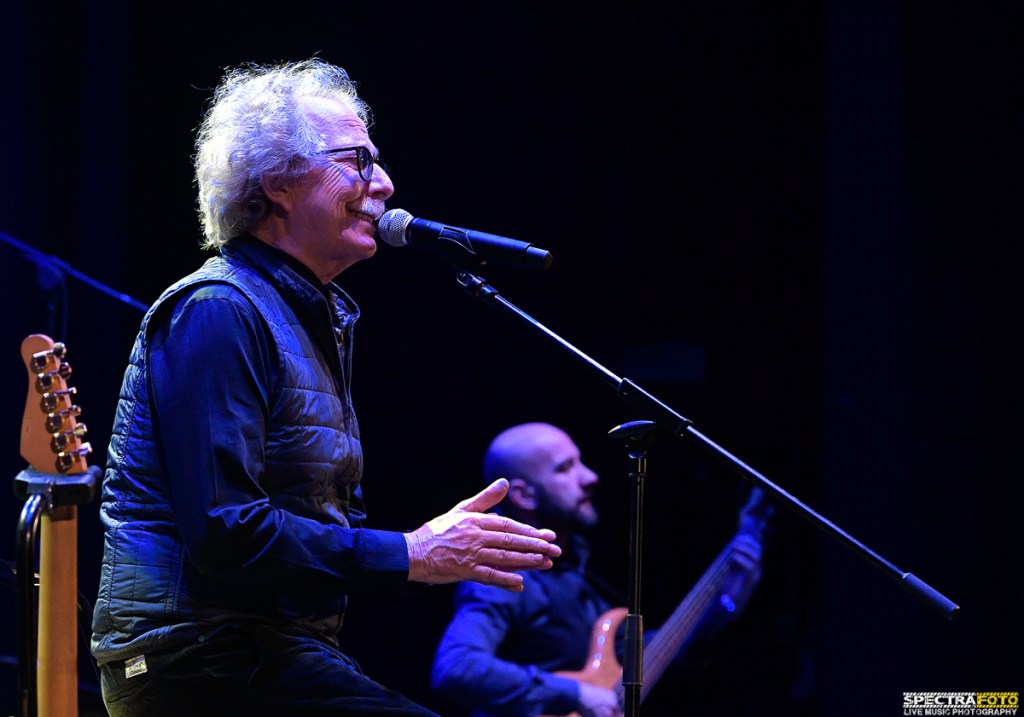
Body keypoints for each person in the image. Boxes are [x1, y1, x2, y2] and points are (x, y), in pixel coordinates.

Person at [88, 58, 562, 717]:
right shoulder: (218, 309)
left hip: (266, 649)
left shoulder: (310, 316)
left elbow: (313, 528)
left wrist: (428, 549)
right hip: (195, 656)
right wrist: (411, 552)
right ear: (278, 183)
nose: (385, 184)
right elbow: (226, 531)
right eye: (358, 161)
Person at [431, 422, 765, 717]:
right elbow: (456, 665)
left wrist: (720, 608)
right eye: (565, 468)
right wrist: (575, 694)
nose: (590, 477)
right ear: (524, 495)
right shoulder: (504, 576)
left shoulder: (577, 570)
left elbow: (636, 662)